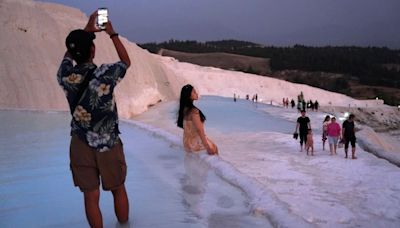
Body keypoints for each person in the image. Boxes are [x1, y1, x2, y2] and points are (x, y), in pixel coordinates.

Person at [57, 12, 130, 227]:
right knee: (118, 189)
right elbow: (126, 61)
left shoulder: (65, 76)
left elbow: (67, 58)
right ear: (93, 50)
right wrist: (112, 33)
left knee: (90, 197)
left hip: (80, 143)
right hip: (108, 143)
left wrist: (85, 32)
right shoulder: (105, 74)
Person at [177, 84, 218, 155]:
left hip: (186, 142)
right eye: (194, 92)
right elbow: (200, 130)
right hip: (194, 144)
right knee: (214, 148)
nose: (197, 93)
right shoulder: (194, 111)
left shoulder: (184, 109)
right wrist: (207, 147)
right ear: (189, 95)